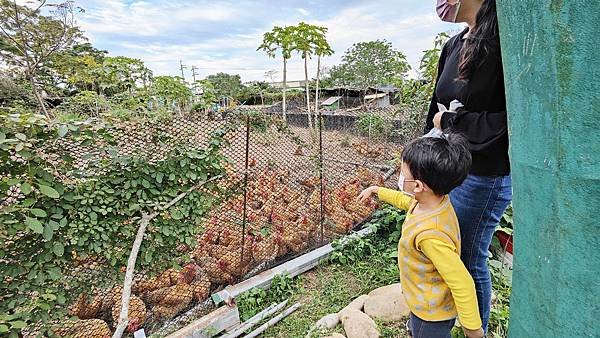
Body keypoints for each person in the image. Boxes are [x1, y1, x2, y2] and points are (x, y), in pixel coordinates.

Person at [427, 0, 512, 332]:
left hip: (484, 176)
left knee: (468, 258)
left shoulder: (503, 41)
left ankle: (475, 329)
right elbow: (435, 110)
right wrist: (418, 162)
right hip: (452, 170)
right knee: (449, 251)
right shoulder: (453, 45)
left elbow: (510, 124)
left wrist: (452, 121)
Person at [358, 134, 484, 338]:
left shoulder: (430, 235)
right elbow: (406, 201)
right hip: (424, 302)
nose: (399, 174)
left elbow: (462, 282)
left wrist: (473, 331)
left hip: (431, 315)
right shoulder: (433, 202)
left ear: (417, 186)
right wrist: (378, 191)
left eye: (402, 171)